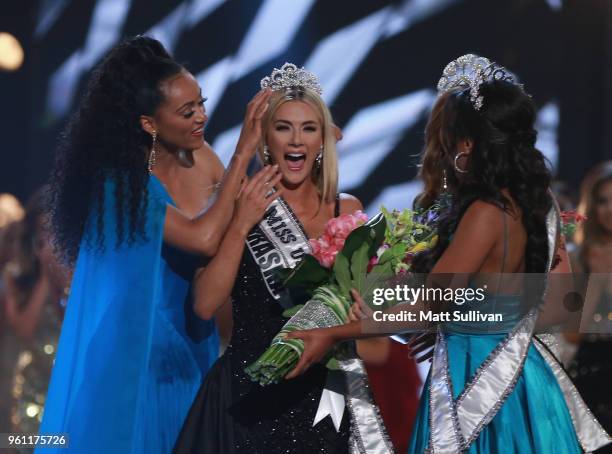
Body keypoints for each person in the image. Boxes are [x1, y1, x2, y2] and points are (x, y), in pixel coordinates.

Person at [286, 54, 611, 453]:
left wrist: (332, 331)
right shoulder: (539, 203)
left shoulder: (485, 213)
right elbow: (560, 308)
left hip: (475, 378)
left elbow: (426, 307)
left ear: (468, 143)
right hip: (527, 379)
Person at [37, 36, 278, 454]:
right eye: (187, 111)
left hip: (194, 351)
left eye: (201, 103)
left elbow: (238, 224)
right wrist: (242, 152)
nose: (202, 117)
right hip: (135, 363)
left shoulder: (204, 160)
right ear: (149, 123)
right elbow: (204, 238)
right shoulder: (119, 183)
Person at [173, 63, 366, 454]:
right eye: (283, 127)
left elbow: (365, 321)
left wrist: (360, 317)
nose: (296, 140)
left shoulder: (346, 210)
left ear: (322, 141)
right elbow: (205, 305)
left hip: (324, 398)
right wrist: (242, 224)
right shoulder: (237, 202)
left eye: (309, 128)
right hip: (249, 399)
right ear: (266, 138)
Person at [3, 190, 68, 440]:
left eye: (53, 227)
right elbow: (24, 331)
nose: (48, 235)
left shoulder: (71, 273)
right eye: (43, 228)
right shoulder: (16, 274)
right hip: (32, 385)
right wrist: (44, 272)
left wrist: (57, 276)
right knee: (21, 444)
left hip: (62, 381)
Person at [568, 161, 612, 452]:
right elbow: (571, 334)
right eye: (603, 201)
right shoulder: (577, 259)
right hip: (590, 372)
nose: (609, 209)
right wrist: (597, 276)